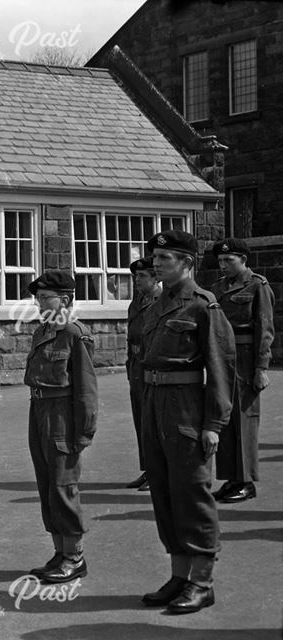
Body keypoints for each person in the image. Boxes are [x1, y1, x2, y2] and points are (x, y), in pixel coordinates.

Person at [138, 230, 235, 613]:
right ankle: (180, 574)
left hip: (186, 409)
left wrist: (214, 424)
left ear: (187, 263)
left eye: (165, 258)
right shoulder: (157, 303)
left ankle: (202, 581)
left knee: (192, 493)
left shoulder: (202, 305)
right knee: (162, 491)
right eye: (156, 257)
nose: (157, 263)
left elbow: (222, 367)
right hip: (154, 404)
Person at [24, 270, 97, 584]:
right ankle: (59, 551)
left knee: (63, 485)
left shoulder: (74, 334)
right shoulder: (42, 331)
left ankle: (74, 557)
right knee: (46, 484)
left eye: (44, 298)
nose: (39, 304)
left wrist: (84, 430)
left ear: (65, 299)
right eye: (37, 298)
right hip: (38, 409)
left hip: (61, 414)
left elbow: (87, 389)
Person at [210, 238, 274, 504]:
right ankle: (231, 478)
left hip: (246, 360)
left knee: (245, 421)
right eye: (221, 261)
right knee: (223, 418)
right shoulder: (217, 287)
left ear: (243, 260)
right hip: (221, 359)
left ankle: (246, 481)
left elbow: (265, 328)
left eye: (229, 260)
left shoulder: (258, 286)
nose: (223, 265)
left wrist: (261, 367)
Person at [125, 258, 161, 492]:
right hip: (137, 366)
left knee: (153, 422)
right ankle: (148, 469)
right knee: (141, 421)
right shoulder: (136, 302)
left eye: (142, 276)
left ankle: (157, 472)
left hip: (152, 366)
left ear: (156, 277)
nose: (137, 281)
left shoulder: (161, 301)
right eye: (135, 277)